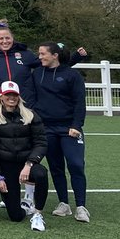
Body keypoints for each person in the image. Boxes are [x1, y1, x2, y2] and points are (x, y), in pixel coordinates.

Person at [0, 80, 49, 231]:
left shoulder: (30, 115)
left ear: (19, 97)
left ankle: (38, 214)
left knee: (41, 174)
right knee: (16, 216)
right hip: (6, 167)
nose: (11, 98)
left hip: (27, 163)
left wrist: (29, 163)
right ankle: (24, 206)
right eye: (8, 95)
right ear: (1, 97)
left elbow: (41, 143)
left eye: (14, 95)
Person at [33, 43, 89, 223]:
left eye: (42, 54)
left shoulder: (72, 75)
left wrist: (76, 125)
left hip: (69, 129)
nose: (39, 57)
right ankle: (63, 203)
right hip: (46, 128)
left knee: (76, 164)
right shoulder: (37, 73)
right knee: (56, 167)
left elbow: (79, 102)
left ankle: (81, 206)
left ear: (54, 55)